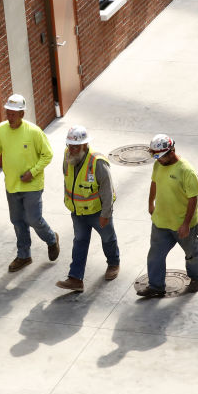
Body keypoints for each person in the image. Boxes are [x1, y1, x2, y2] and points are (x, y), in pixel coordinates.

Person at [0, 93, 59, 272]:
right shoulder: (0, 129)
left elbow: (47, 154)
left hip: (32, 185)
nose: (9, 117)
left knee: (33, 219)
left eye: (13, 113)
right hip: (12, 184)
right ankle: (24, 256)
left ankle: (51, 239)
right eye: (8, 113)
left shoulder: (34, 132)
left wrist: (33, 172)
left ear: (22, 114)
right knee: (18, 220)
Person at [137, 134, 198, 297]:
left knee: (191, 254)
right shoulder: (158, 164)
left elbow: (192, 199)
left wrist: (186, 224)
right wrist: (150, 202)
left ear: (172, 151)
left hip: (183, 224)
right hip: (161, 221)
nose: (159, 160)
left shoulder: (186, 170)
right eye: (156, 157)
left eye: (161, 157)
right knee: (155, 255)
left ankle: (196, 277)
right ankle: (156, 286)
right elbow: (154, 183)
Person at [55, 125, 120, 292]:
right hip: (77, 212)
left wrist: (106, 214)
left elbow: (106, 189)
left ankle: (113, 263)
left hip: (98, 212)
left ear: (84, 145)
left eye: (76, 146)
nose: (72, 149)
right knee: (80, 242)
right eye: (70, 145)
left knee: (108, 239)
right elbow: (66, 178)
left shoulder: (97, 162)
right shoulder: (67, 155)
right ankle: (75, 278)